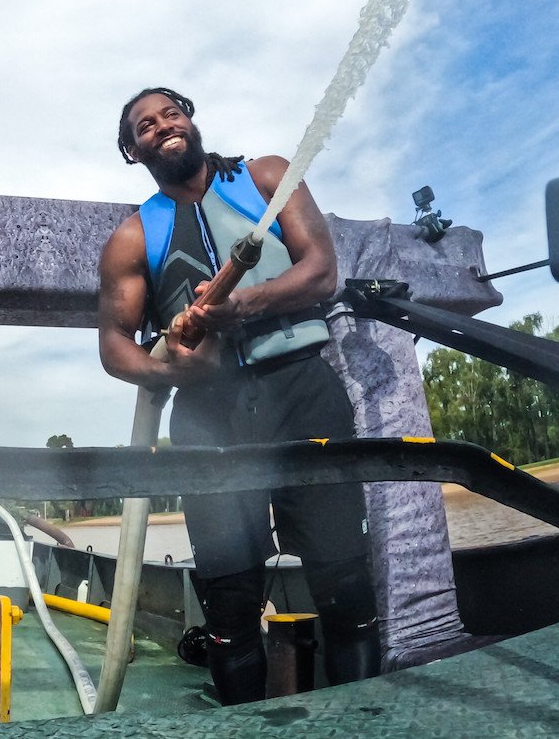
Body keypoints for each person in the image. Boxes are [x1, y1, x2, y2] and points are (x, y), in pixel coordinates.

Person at [96, 86, 379, 705]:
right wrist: (171, 375)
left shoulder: (268, 179)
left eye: (170, 113)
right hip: (211, 415)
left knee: (344, 577)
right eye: (144, 126)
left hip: (304, 391)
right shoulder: (133, 235)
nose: (161, 126)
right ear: (131, 150)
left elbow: (322, 270)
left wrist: (242, 303)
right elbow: (115, 343)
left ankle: (363, 716)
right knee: (229, 599)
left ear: (190, 121)